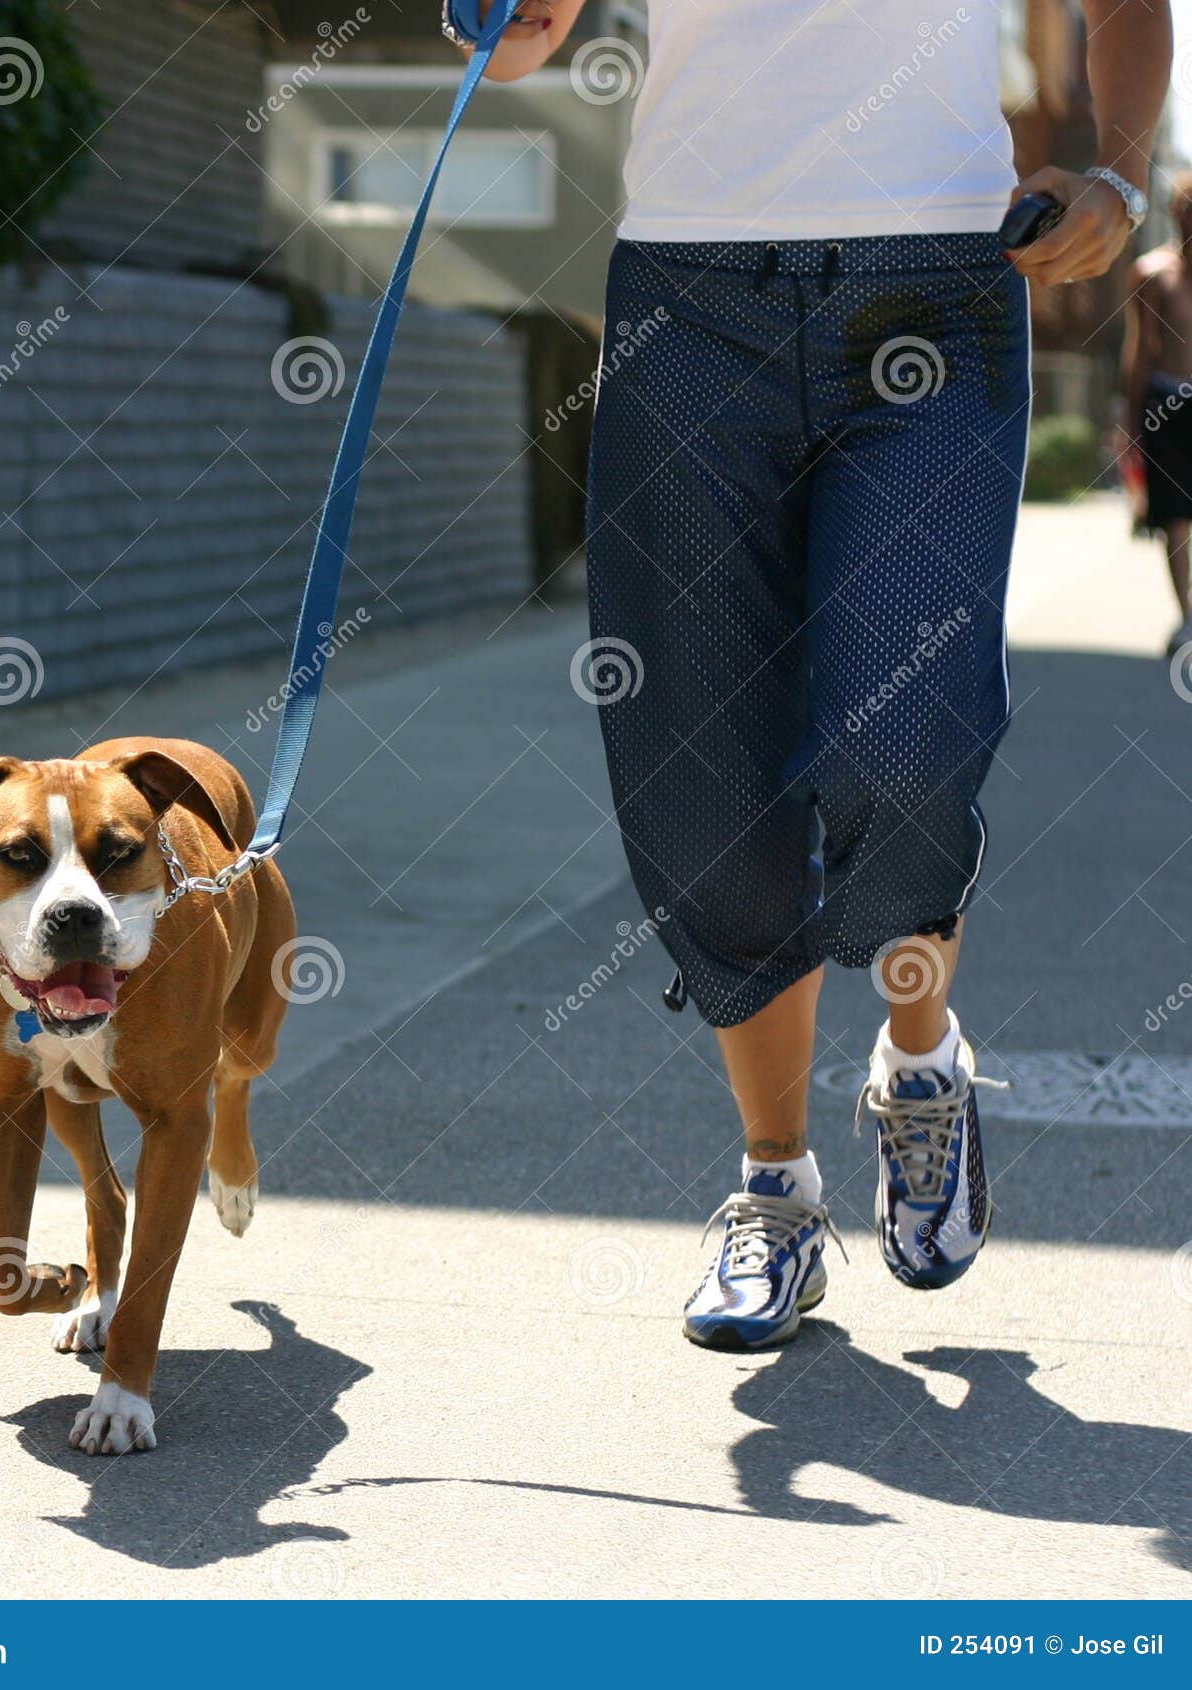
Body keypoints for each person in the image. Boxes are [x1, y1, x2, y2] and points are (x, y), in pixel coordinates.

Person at [460, 0, 1168, 1347]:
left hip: (935, 287)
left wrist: (1120, 177)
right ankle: (775, 1189)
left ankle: (920, 1057)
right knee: (702, 789)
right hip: (688, 301)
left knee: (903, 744)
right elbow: (525, 35)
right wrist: (498, 22)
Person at [1122, 169, 1192, 655]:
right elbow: (1140, 350)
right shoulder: (1153, 273)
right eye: (1186, 210)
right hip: (1168, 405)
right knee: (1176, 515)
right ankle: (1187, 617)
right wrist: (1130, 423)